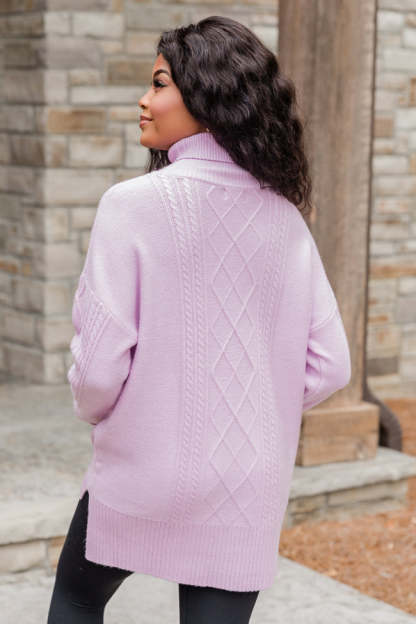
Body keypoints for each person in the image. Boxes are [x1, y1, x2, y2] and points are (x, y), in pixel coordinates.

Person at [47, 15, 351, 624]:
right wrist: (251, 407)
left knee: (78, 601)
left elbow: (98, 373)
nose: (143, 99)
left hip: (143, 469)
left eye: (160, 83)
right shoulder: (284, 217)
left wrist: (109, 414)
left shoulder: (130, 205)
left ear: (209, 98)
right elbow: (331, 367)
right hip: (247, 482)